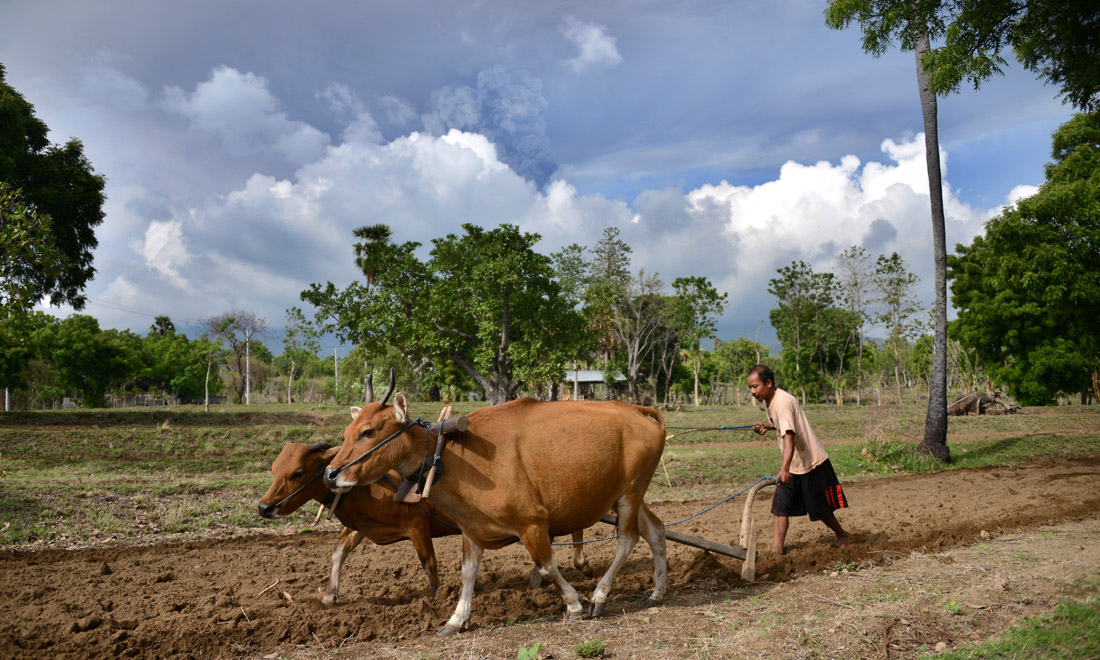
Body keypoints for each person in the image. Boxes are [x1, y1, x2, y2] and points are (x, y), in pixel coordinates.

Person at [747, 365, 851, 554]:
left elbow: (789, 436)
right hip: (793, 464)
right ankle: (777, 551)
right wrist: (769, 426)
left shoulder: (783, 403)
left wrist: (784, 469)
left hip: (811, 463)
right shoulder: (770, 399)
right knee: (780, 506)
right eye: (750, 388)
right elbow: (782, 424)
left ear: (768, 383)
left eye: (756, 387)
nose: (753, 391)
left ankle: (842, 534)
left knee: (820, 508)